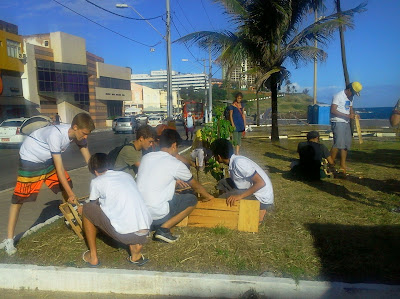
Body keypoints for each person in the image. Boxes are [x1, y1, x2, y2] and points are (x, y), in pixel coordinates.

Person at [4, 113, 95, 255]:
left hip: (46, 158)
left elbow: (89, 159)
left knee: (67, 184)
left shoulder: (78, 134)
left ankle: (68, 217)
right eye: (84, 134)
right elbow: (59, 168)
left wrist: (99, 176)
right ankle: (9, 240)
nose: (85, 137)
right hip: (30, 158)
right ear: (75, 127)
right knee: (19, 198)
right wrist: (71, 195)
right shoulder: (56, 136)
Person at [136, 129, 215, 243]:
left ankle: (148, 228)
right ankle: (164, 229)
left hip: (140, 215)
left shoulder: (146, 157)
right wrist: (208, 196)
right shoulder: (175, 163)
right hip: (157, 215)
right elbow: (196, 186)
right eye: (177, 147)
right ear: (173, 146)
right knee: (191, 199)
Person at [80, 153, 152, 267]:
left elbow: (93, 204)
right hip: (145, 230)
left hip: (125, 234)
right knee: (126, 210)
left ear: (95, 171)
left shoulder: (97, 181)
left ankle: (93, 256)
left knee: (87, 209)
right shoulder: (126, 175)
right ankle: (135, 251)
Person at [211, 138, 274, 225]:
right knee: (223, 183)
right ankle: (231, 208)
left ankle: (259, 211)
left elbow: (260, 183)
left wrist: (239, 196)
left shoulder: (239, 163)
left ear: (218, 156)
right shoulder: (234, 161)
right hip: (249, 189)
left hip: (261, 198)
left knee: (222, 199)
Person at [330, 81, 362, 174]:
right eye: (353, 92)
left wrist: (353, 115)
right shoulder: (338, 96)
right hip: (338, 121)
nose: (353, 95)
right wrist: (347, 116)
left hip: (346, 122)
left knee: (346, 144)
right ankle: (330, 164)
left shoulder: (351, 97)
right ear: (348, 89)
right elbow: (333, 110)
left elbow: (350, 109)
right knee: (338, 143)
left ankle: (343, 165)